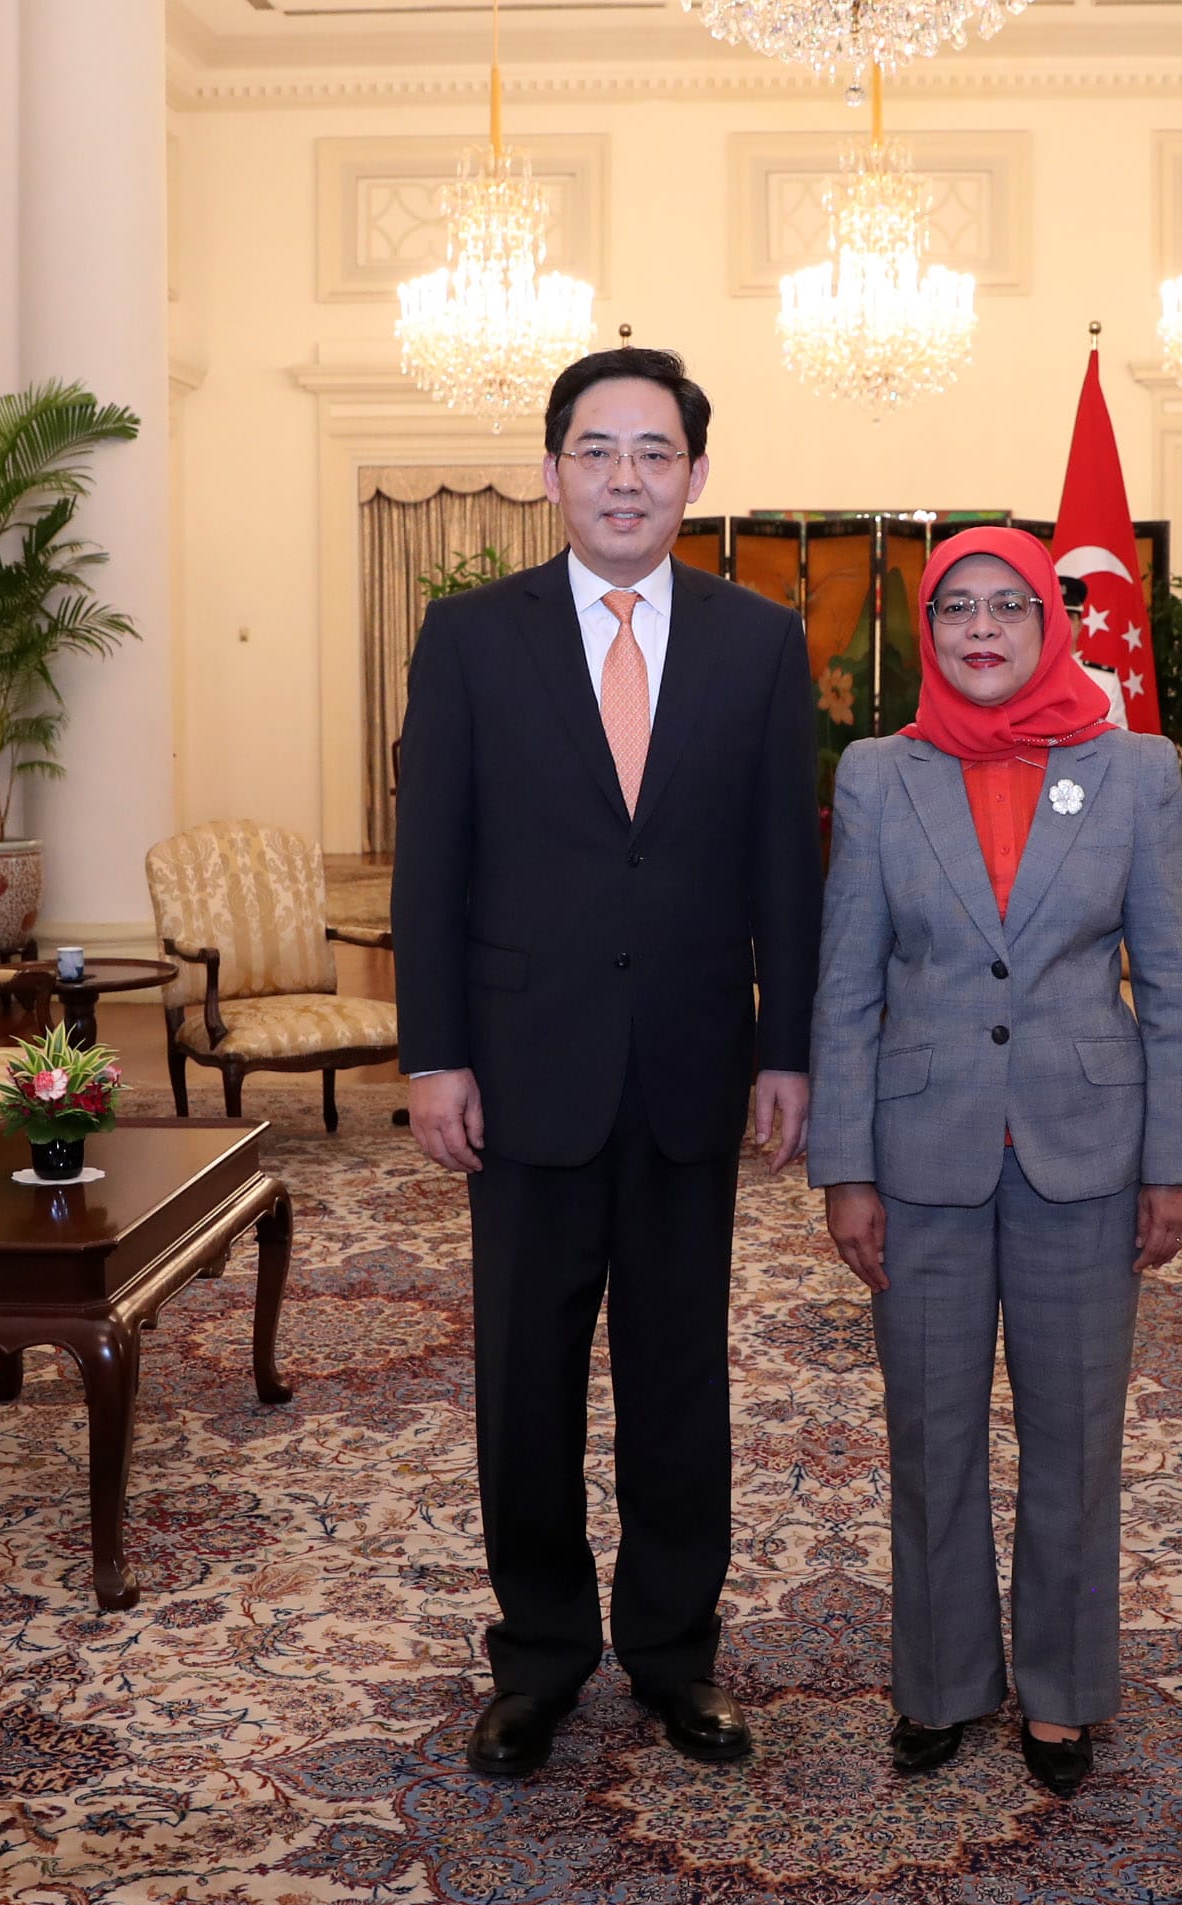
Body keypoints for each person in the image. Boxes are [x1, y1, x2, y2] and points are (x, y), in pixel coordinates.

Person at [391, 346, 821, 1778]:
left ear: (697, 475)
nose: (626, 476)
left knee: (679, 1375)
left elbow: (784, 869)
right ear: (553, 469)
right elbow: (432, 863)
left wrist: (791, 1049)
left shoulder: (759, 641)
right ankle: (540, 1656)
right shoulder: (467, 634)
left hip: (697, 1066)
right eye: (597, 449)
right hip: (521, 1073)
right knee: (525, 1377)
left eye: (654, 451)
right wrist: (435, 1053)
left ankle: (674, 1653)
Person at [808, 526, 1182, 1798]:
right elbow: (846, 988)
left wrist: (1174, 1158)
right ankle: (936, 1688)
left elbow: (1175, 982)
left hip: (1085, 1152)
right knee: (930, 1436)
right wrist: (844, 1167)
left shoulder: (1134, 769)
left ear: (1050, 626)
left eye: (1007, 608)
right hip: (920, 1151)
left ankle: (1060, 1694)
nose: (980, 630)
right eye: (954, 611)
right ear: (926, 637)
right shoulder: (881, 774)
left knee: (1073, 1437)